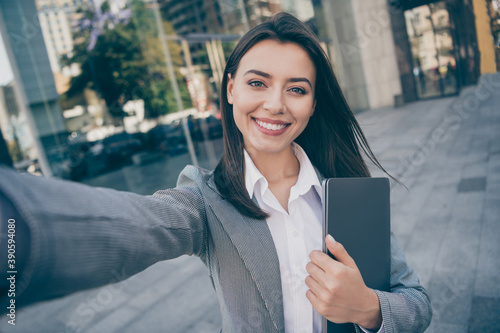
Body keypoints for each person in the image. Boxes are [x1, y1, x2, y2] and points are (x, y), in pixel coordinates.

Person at [0, 12, 431, 333]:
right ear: (230, 89)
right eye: (257, 83)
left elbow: (416, 302)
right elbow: (138, 224)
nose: (276, 104)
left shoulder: (350, 191)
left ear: (313, 104)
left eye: (296, 89)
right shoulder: (206, 201)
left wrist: (368, 308)